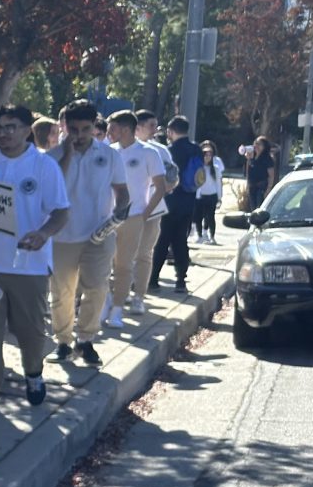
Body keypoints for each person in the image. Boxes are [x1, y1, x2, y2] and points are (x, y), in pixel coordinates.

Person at [0, 104, 70, 411]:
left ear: (28, 130)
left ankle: (34, 372)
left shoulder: (44, 166)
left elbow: (61, 211)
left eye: (10, 126)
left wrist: (43, 234)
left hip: (30, 265)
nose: (3, 133)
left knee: (29, 331)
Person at [49, 102, 127, 375]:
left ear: (95, 127)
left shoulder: (108, 155)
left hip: (98, 233)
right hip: (61, 235)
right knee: (62, 292)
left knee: (96, 287)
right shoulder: (51, 156)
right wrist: (67, 154)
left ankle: (86, 340)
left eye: (85, 129)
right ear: (64, 126)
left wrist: (119, 216)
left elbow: (122, 192)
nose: (79, 135)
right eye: (73, 129)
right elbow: (50, 188)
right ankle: (63, 341)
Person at [103, 110, 165, 325]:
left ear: (127, 129)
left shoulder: (148, 153)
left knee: (124, 264)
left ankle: (118, 309)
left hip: (133, 217)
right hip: (108, 218)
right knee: (103, 264)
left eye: (113, 128)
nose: (109, 132)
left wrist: (144, 213)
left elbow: (160, 187)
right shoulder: (109, 152)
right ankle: (106, 301)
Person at [152, 114, 203, 292]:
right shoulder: (196, 150)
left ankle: (153, 279)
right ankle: (181, 280)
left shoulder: (168, 150)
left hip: (169, 200)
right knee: (181, 240)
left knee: (162, 240)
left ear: (171, 131)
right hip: (188, 200)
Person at [245, 136, 276, 210]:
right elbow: (248, 171)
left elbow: (271, 175)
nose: (256, 146)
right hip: (252, 186)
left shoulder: (267, 158)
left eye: (259, 144)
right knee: (253, 208)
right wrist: (249, 159)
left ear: (264, 146)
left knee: (260, 208)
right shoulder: (252, 156)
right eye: (255, 144)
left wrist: (268, 189)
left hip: (261, 187)